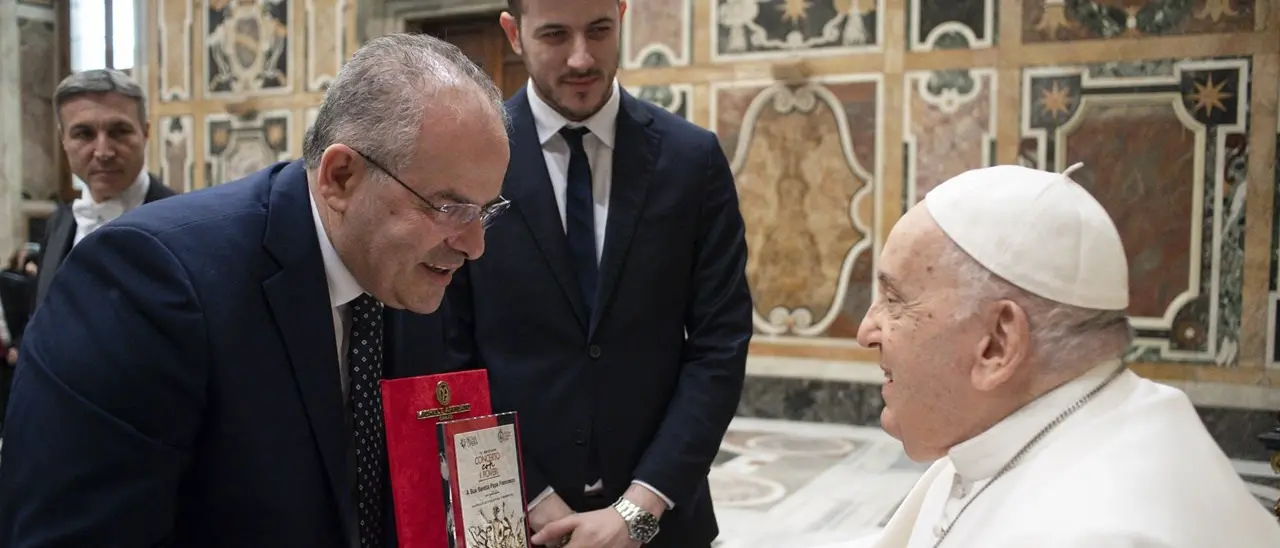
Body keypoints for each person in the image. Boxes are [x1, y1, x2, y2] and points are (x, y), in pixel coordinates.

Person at [0, 33, 511, 547]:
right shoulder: (148, 281)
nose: (474, 246)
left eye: (485, 211)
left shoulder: (406, 274)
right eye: (449, 208)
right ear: (341, 176)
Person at [819, 164, 1280, 548]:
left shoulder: (1096, 531)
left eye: (894, 300)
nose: (866, 331)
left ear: (997, 345)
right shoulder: (1025, 426)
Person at [439, 1, 753, 547]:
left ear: (622, 18)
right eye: (556, 35)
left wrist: (638, 510)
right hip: (512, 517)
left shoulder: (691, 159)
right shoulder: (464, 164)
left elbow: (719, 344)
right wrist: (534, 500)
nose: (581, 57)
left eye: (599, 31)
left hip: (666, 517)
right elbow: (448, 357)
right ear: (513, 33)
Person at [35, 68, 177, 309]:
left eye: (119, 132)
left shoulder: (184, 224)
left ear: (145, 133)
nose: (103, 152)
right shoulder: (58, 224)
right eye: (84, 134)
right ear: (63, 140)